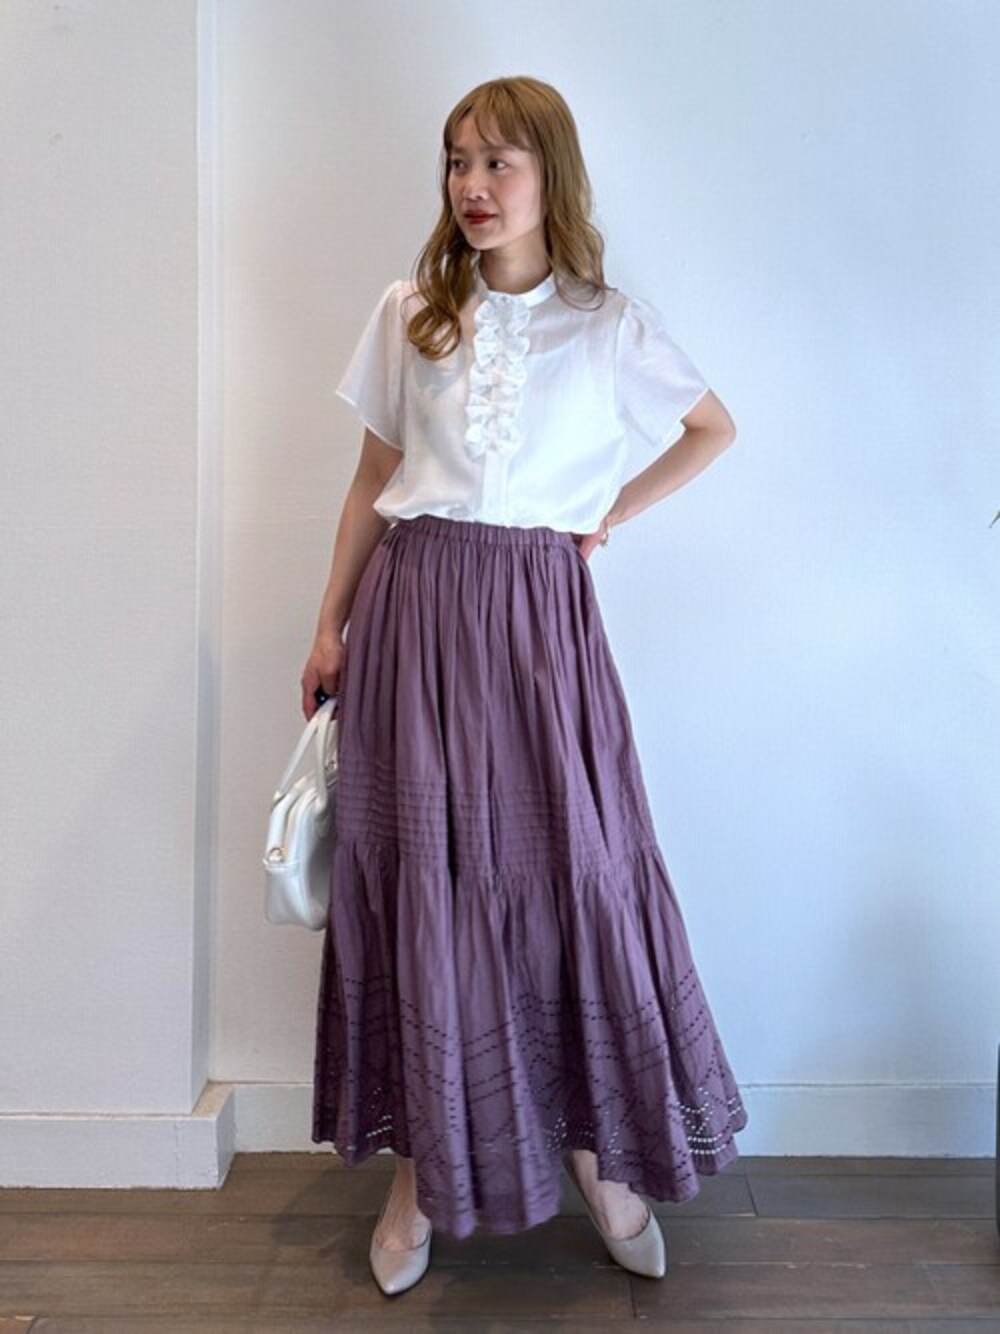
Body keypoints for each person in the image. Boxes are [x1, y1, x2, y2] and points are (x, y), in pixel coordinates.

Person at [302, 75, 748, 1297]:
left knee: (569, 873)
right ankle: (420, 1177)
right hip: (414, 611)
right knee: (430, 882)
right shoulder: (410, 311)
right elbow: (371, 480)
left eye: (499, 161)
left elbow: (711, 428)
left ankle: (602, 1158)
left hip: (540, 620)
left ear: (552, 174)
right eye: (457, 160)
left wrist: (605, 516)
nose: (473, 185)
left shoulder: (608, 324)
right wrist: (329, 621)